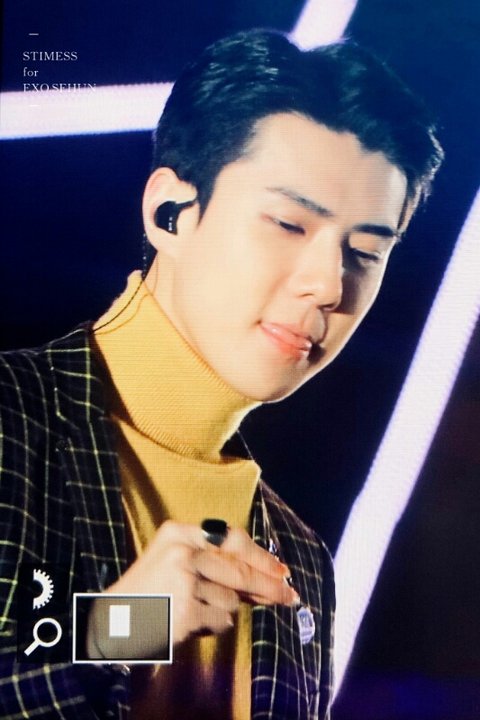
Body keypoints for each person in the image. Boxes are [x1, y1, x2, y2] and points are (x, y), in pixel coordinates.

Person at [0, 29, 443, 720]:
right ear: (170, 214)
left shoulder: (300, 561)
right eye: (289, 224)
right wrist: (117, 629)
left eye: (364, 252)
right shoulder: (13, 423)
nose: (330, 285)